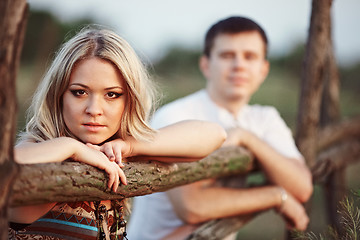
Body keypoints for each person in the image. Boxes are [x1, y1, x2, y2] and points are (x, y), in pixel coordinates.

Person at [8, 27, 227, 240]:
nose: (94, 109)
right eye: (79, 92)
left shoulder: (115, 152)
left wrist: (130, 146)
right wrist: (72, 148)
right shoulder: (37, 149)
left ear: (129, 100)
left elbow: (214, 134)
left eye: (112, 95)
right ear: (59, 95)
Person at [127, 16, 313, 240]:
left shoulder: (264, 118)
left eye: (250, 56)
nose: (239, 65)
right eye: (227, 55)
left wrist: (247, 138)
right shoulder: (175, 117)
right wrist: (276, 195)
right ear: (206, 65)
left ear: (264, 70)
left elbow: (302, 187)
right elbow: (192, 207)